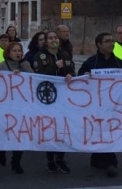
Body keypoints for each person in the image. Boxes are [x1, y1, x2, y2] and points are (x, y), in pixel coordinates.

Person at [78, 32, 122, 178]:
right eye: (107, 41)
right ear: (99, 45)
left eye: (112, 41)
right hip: (96, 106)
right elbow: (79, 79)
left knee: (110, 132)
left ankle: (111, 163)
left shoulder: (119, 63)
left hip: (114, 107)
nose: (112, 43)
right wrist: (85, 76)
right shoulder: (91, 62)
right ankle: (97, 159)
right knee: (99, 131)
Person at [36, 30, 74, 174]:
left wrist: (70, 74)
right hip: (47, 97)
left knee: (62, 128)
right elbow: (39, 75)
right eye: (50, 38)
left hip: (63, 98)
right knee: (49, 128)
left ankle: (61, 158)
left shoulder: (64, 54)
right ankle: (50, 160)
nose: (53, 40)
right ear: (46, 41)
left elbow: (72, 70)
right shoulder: (40, 55)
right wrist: (55, 66)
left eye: (55, 38)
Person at [0, 41, 33, 174]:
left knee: (20, 133)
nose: (18, 53)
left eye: (19, 51)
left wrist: (23, 65)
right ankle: (2, 149)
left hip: (21, 105)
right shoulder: (2, 65)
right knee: (5, 130)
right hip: (6, 105)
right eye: (15, 51)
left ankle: (16, 161)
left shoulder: (25, 64)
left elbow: (33, 77)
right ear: (8, 53)